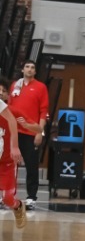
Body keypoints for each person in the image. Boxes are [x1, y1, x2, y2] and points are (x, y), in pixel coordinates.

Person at [9, 60, 49, 210]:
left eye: (32, 67)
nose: (30, 69)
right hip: (14, 132)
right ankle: (8, 195)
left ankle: (31, 197)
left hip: (31, 132)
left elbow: (43, 111)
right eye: (27, 67)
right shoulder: (15, 86)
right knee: (10, 165)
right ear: (22, 70)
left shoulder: (40, 87)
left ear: (35, 71)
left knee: (32, 166)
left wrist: (40, 131)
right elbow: (9, 108)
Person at [0, 78, 27, 228]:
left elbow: (14, 121)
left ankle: (17, 206)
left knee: (7, 199)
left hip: (6, 161)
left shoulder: (8, 110)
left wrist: (15, 147)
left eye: (3, 91)